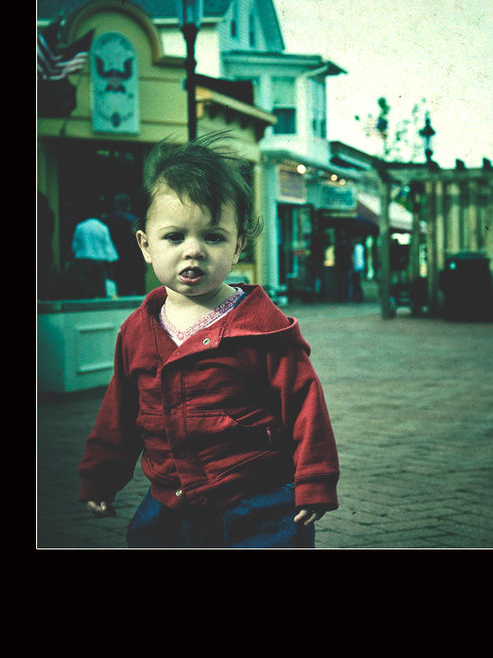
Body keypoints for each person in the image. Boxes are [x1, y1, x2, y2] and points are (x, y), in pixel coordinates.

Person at [77, 135, 339, 548]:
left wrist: (315, 479)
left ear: (237, 247)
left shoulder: (262, 328)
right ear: (146, 245)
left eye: (214, 237)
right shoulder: (137, 331)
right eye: (174, 237)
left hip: (260, 502)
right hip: (170, 504)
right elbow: (120, 412)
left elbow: (304, 402)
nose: (194, 250)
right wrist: (101, 475)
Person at [71, 202, 119, 297]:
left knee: (85, 286)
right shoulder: (102, 227)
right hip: (99, 261)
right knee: (100, 285)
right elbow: (107, 246)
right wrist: (111, 262)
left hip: (83, 260)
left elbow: (75, 246)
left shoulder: (80, 227)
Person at [102, 193, 144, 296]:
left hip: (115, 254)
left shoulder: (108, 219)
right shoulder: (133, 220)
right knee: (132, 281)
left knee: (118, 280)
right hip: (132, 254)